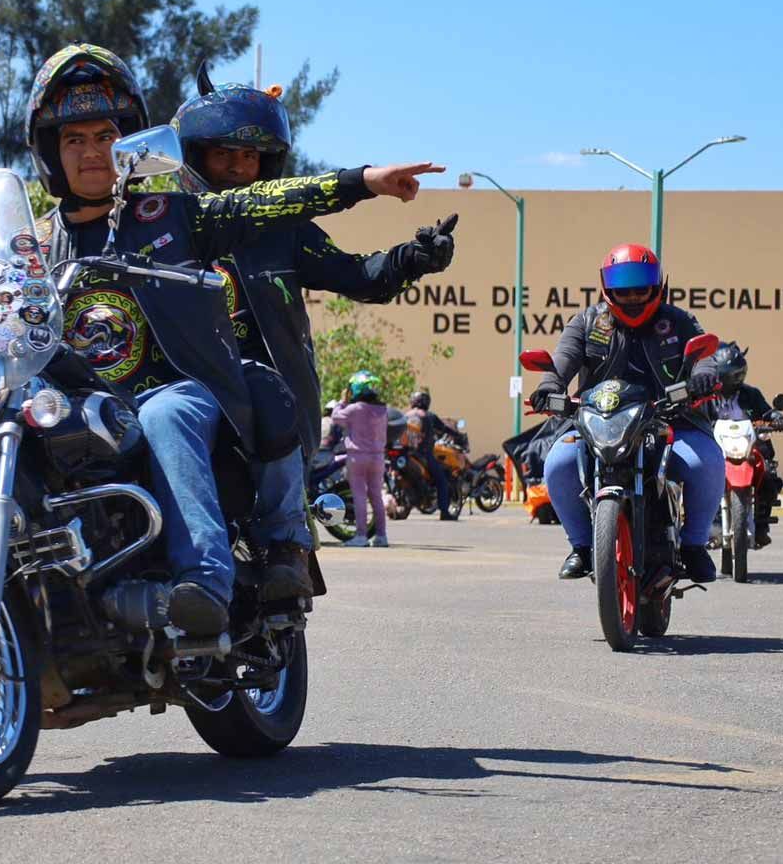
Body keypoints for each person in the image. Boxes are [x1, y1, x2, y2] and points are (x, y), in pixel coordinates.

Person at [29, 43, 441, 633]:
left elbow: (268, 205)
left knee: (178, 412)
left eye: (104, 137)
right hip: (81, 402)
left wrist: (364, 182)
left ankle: (209, 577)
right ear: (49, 151)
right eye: (74, 140)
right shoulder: (34, 244)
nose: (92, 152)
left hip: (180, 390)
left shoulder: (172, 213)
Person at [173, 76, 458, 471]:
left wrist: (413, 258)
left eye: (250, 156)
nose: (237, 168)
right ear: (194, 155)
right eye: (223, 154)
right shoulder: (161, 227)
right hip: (183, 396)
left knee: (282, 499)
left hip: (269, 406)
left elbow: (359, 276)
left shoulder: (282, 230)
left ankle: (288, 529)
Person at [526, 244, 726, 583]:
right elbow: (562, 361)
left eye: (640, 287)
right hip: (598, 421)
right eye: (623, 288)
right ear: (606, 286)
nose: (632, 295)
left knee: (705, 460)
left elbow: (703, 353)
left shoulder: (678, 321)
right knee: (557, 463)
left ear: (656, 285)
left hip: (670, 419)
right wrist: (549, 386)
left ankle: (694, 545)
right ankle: (583, 547)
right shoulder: (588, 322)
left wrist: (704, 373)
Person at [707, 342, 783, 548]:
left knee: (769, 476)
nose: (726, 380)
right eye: (723, 375)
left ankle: (761, 525)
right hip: (717, 446)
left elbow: (767, 413)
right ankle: (708, 520)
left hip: (748, 446)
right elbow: (694, 414)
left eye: (731, 375)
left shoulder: (751, 394)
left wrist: (777, 418)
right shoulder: (707, 397)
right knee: (699, 473)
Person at [331, 372, 390, 547]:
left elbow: (336, 417)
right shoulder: (382, 410)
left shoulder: (354, 409)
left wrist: (342, 400)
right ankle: (381, 536)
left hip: (358, 457)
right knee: (376, 497)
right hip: (378, 457)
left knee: (359, 496)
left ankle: (361, 535)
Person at [404, 390, 462, 521]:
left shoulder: (406, 415)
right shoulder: (428, 415)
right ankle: (444, 512)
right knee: (442, 480)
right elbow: (444, 428)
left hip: (407, 453)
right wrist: (457, 434)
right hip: (423, 455)